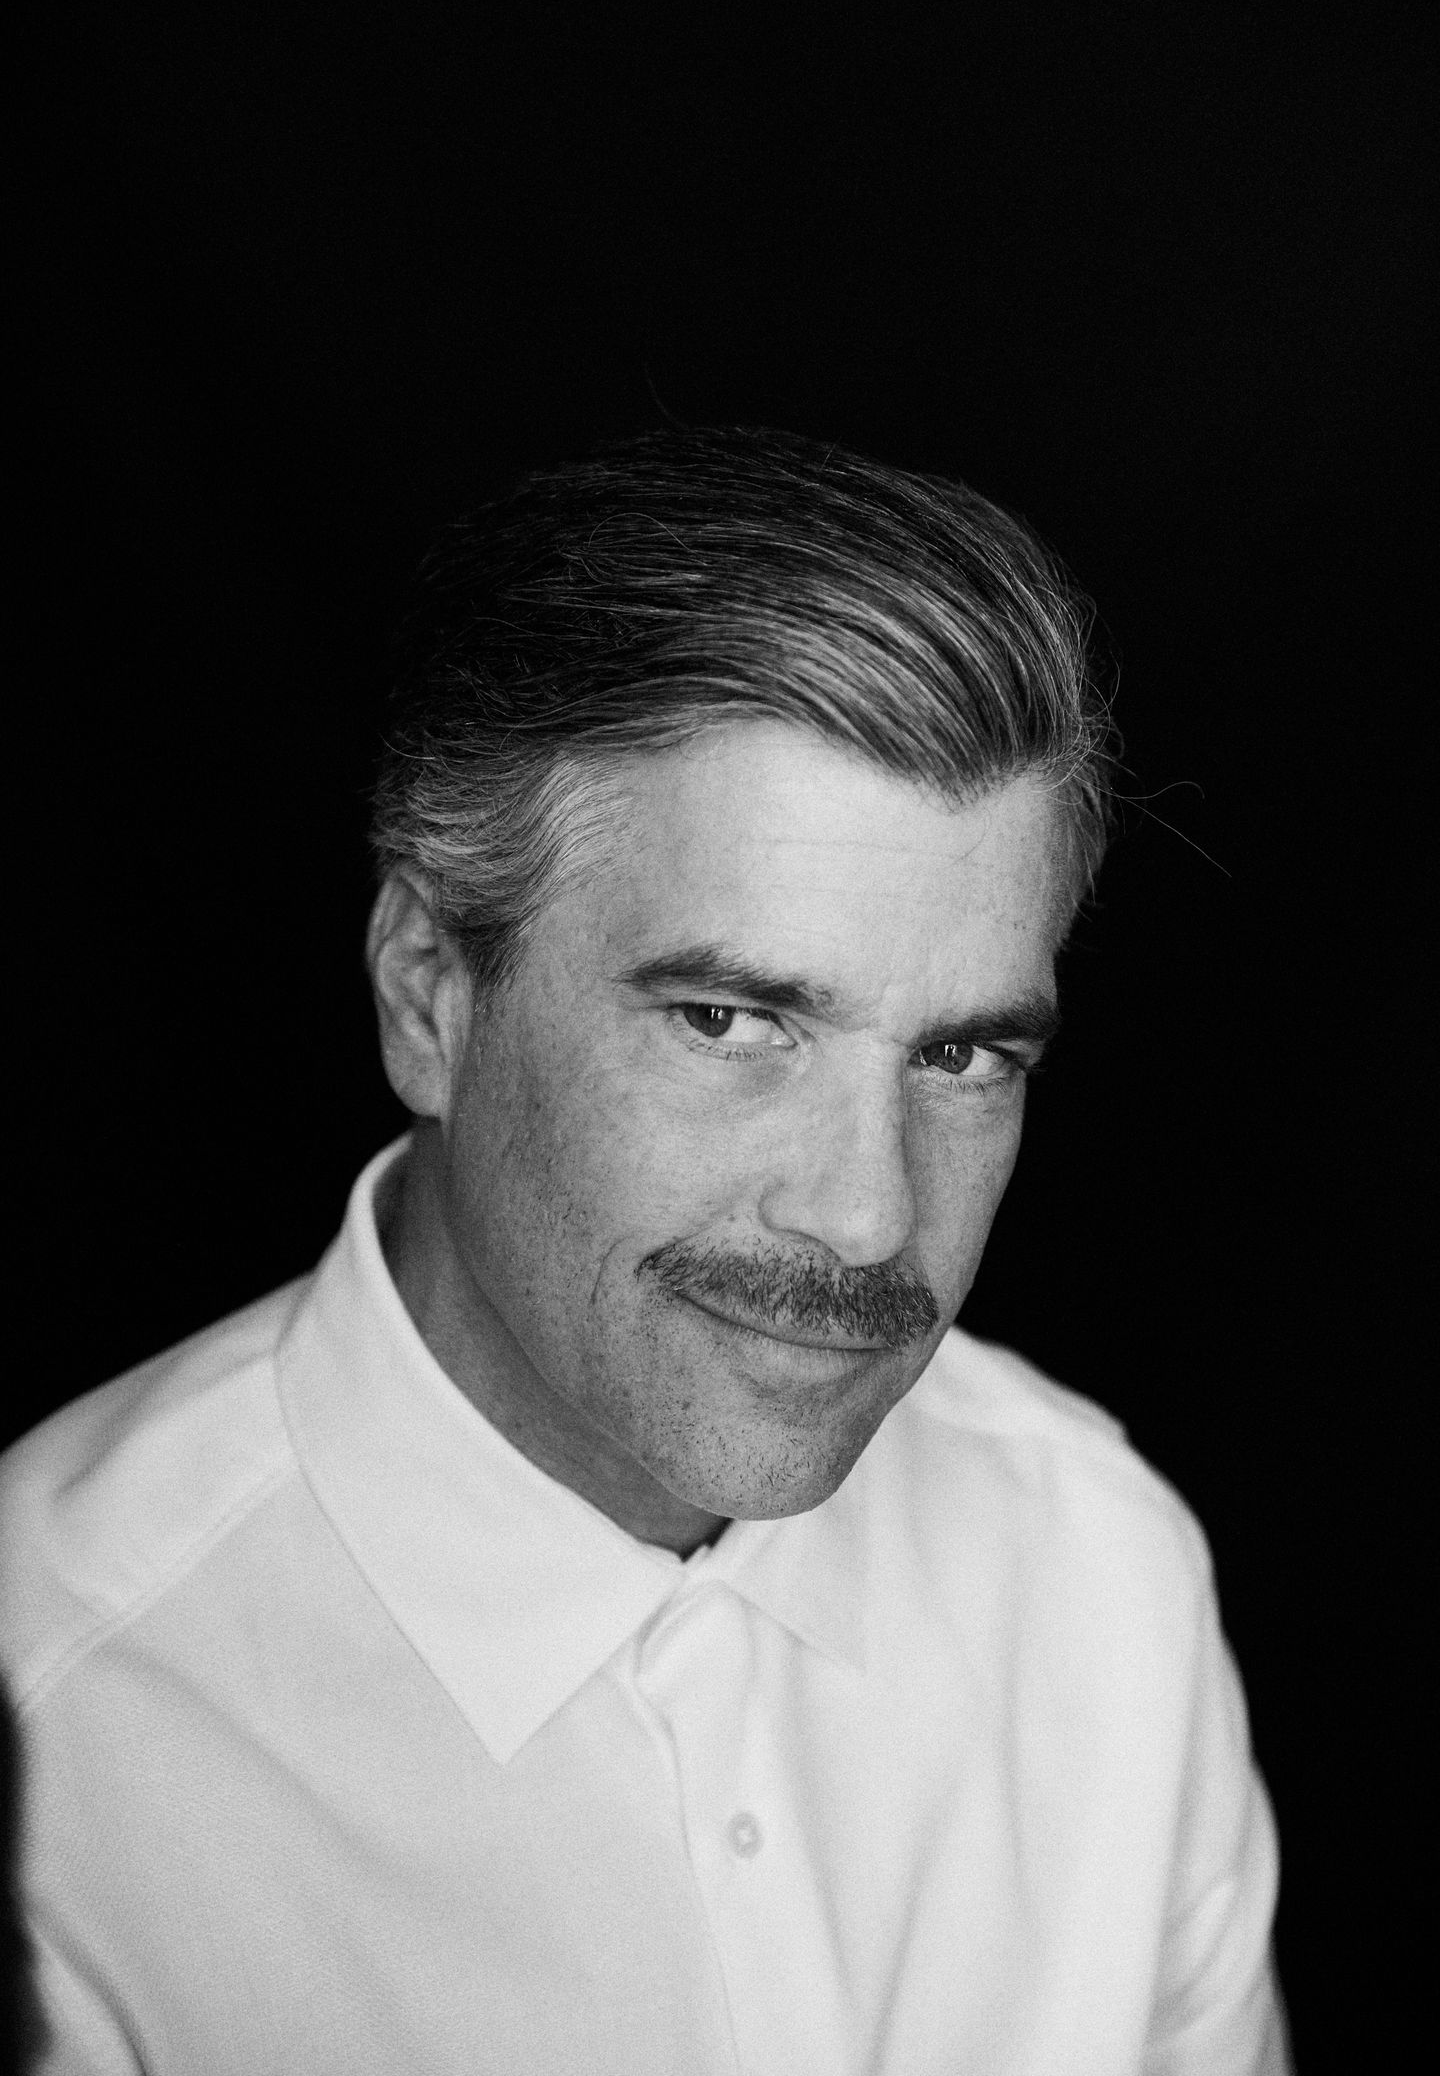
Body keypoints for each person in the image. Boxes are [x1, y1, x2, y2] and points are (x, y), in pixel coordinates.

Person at [0, 429, 1291, 2073]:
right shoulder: (60, 1732)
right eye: (730, 1021)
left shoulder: (1100, 1571)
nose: (868, 1217)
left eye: (962, 1057)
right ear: (428, 994)